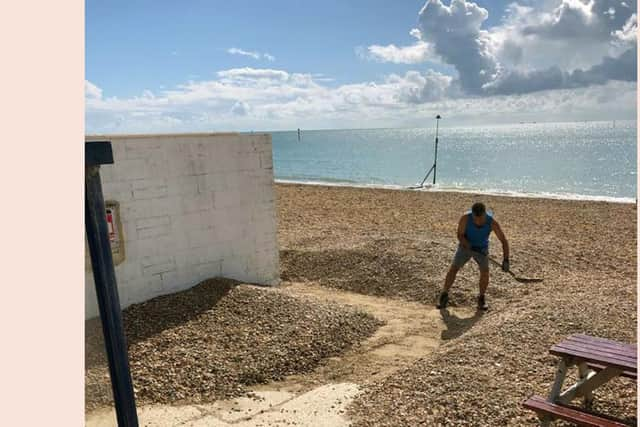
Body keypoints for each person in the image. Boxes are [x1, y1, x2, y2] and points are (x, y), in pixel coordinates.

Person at [436, 202, 509, 311]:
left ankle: (481, 298)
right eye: (476, 219)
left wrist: (506, 260)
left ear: (485, 214)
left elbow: (504, 241)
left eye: (481, 219)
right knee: (454, 268)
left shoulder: (492, 223)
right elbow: (459, 234)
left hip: (482, 249)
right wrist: (466, 243)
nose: (478, 221)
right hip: (465, 247)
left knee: (485, 272)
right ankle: (444, 294)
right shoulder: (465, 218)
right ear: (472, 215)